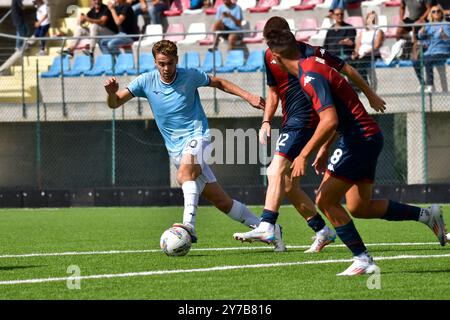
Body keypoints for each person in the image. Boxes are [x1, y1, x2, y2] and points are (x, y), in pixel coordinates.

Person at [261, 29, 447, 275]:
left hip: (358, 139)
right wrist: (325, 149)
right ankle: (426, 215)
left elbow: (330, 120)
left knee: (325, 200)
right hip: (365, 136)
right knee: (360, 207)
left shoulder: (308, 76)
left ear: (275, 57)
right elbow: (338, 112)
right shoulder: (312, 65)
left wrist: (304, 154)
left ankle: (363, 259)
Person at [104, 40, 286, 251]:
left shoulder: (189, 75)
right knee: (222, 202)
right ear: (154, 62)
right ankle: (270, 229)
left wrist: (248, 96)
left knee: (183, 176)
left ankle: (189, 226)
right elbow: (115, 103)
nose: (166, 68)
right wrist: (110, 93)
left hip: (198, 137)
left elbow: (219, 82)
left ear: (177, 61)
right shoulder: (145, 81)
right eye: (161, 63)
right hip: (176, 151)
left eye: (170, 63)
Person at [233, 16, 386, 253]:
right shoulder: (269, 56)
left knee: (275, 169)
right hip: (289, 120)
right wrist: (266, 121)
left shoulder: (311, 54)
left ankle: (267, 224)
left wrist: (370, 94)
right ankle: (321, 231)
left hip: (305, 120)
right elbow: (273, 92)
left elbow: (346, 69)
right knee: (286, 183)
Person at [413, 4, 450, 93]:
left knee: (427, 60)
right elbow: (423, 39)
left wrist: (443, 35)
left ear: (441, 13)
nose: (436, 13)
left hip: (442, 51)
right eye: (433, 11)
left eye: (438, 11)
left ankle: (431, 85)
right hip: (430, 52)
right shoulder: (428, 25)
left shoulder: (446, 25)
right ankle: (423, 83)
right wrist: (421, 33)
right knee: (415, 62)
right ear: (431, 14)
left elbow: (448, 40)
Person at [350, 11, 384, 89]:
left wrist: (365, 52)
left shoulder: (378, 31)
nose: (372, 19)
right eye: (370, 17)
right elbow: (358, 45)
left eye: (373, 18)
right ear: (367, 19)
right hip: (361, 55)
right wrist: (355, 53)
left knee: (361, 63)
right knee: (350, 62)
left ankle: (365, 86)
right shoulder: (363, 31)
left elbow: (376, 45)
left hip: (371, 54)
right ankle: (357, 86)